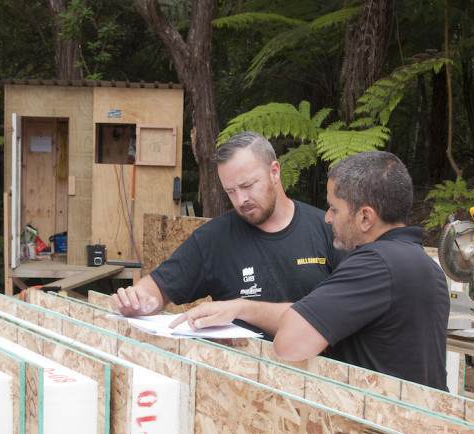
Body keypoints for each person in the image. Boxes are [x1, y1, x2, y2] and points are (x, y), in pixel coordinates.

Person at [172, 151, 450, 391]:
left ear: (365, 217)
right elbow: (315, 318)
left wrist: (245, 309)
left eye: (334, 209)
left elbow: (290, 343)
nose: (327, 218)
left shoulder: (374, 265)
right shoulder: (425, 266)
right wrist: (241, 307)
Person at [112, 131, 344, 336]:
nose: (241, 200)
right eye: (230, 191)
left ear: (274, 172)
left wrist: (241, 308)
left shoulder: (328, 229)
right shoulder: (214, 239)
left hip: (317, 377)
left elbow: (338, 313)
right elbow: (157, 288)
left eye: (247, 185)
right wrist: (138, 300)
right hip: (236, 376)